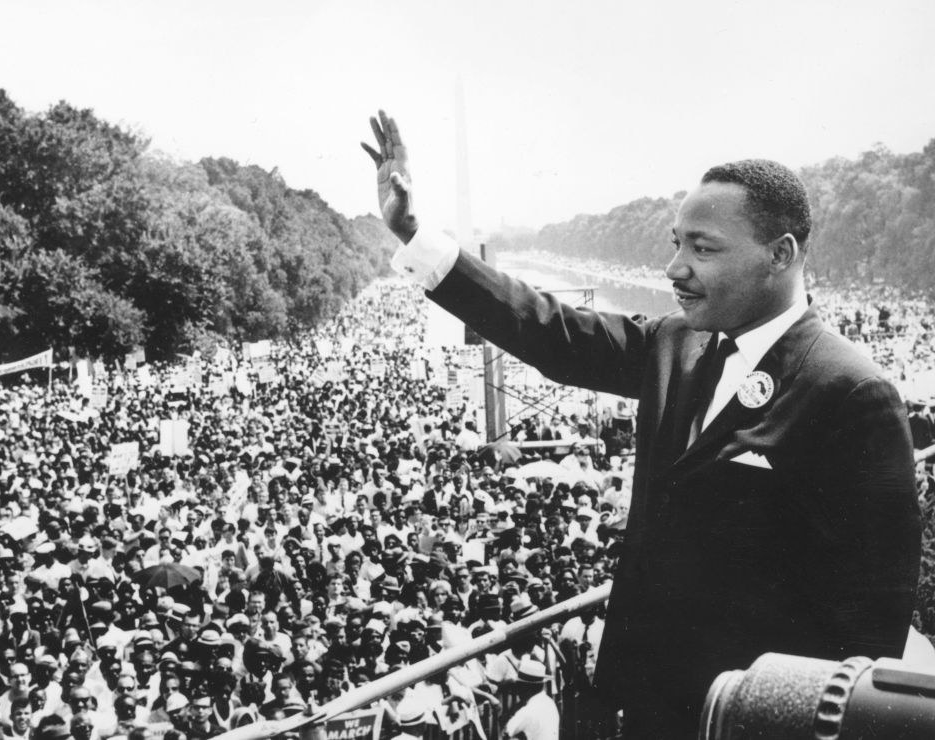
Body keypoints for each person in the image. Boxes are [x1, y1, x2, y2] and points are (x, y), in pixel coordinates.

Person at [363, 110, 922, 738]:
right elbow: (548, 329)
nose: (674, 268)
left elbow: (870, 627)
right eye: (675, 243)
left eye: (702, 248)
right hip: (640, 704)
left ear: (780, 255)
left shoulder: (851, 391)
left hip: (744, 717)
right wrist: (415, 234)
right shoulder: (676, 342)